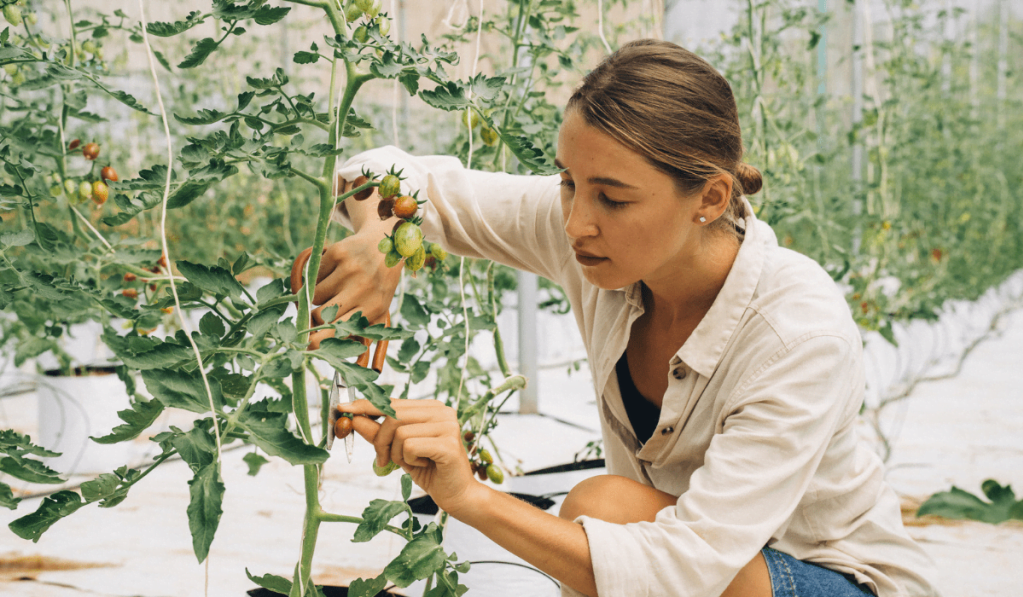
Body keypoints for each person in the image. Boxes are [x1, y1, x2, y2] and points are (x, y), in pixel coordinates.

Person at [311, 40, 940, 597]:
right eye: (567, 182)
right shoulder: (590, 231)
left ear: (712, 198)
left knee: (603, 508)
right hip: (704, 566)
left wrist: (469, 496)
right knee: (604, 519)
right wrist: (382, 238)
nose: (577, 220)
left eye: (613, 197)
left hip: (826, 577)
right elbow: (387, 172)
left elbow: (674, 574)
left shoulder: (797, 335)